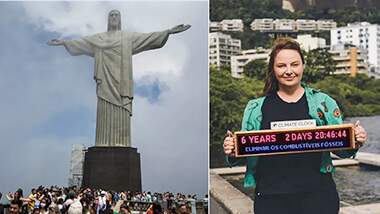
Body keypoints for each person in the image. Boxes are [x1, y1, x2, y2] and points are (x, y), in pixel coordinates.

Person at [223, 37, 367, 214]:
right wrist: (232, 149)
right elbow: (244, 151)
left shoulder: (324, 103)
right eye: (281, 66)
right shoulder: (255, 108)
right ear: (273, 69)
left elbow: (341, 149)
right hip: (271, 198)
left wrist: (356, 141)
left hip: (319, 197)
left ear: (303, 66)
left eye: (294, 64)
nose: (289, 71)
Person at [47, 9, 190, 147]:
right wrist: (63, 43)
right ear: (108, 19)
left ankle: (121, 143)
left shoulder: (128, 37)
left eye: (116, 15)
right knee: (105, 109)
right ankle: (103, 142)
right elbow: (81, 43)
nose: (114, 17)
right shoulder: (99, 38)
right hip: (105, 80)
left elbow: (148, 38)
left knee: (121, 109)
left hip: (122, 81)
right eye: (111, 15)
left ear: (120, 19)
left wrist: (168, 32)